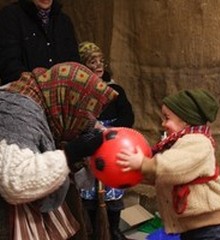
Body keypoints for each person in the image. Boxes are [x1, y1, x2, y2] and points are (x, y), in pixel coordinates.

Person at [0, 61, 118, 239]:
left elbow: (83, 121)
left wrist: (98, 134)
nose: (86, 118)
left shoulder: (45, 99)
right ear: (69, 98)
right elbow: (15, 181)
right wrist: (70, 153)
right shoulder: (17, 112)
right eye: (82, 110)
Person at [117, 89, 220, 240]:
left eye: (167, 118)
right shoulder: (180, 144)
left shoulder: (198, 141)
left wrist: (143, 163)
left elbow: (173, 165)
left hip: (210, 226)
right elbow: (166, 176)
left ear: (186, 120)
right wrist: (136, 175)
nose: (163, 124)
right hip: (191, 227)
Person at [78, 41, 134, 240]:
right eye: (93, 62)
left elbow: (128, 117)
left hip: (112, 144)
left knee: (113, 190)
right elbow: (76, 121)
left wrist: (108, 131)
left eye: (101, 61)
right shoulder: (80, 94)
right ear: (84, 65)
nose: (99, 66)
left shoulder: (115, 90)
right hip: (89, 145)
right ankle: (95, 231)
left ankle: (114, 230)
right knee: (90, 194)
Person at [0, 0, 80, 85]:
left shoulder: (64, 21)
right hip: (23, 92)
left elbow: (74, 64)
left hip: (62, 91)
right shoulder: (10, 16)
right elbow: (9, 64)